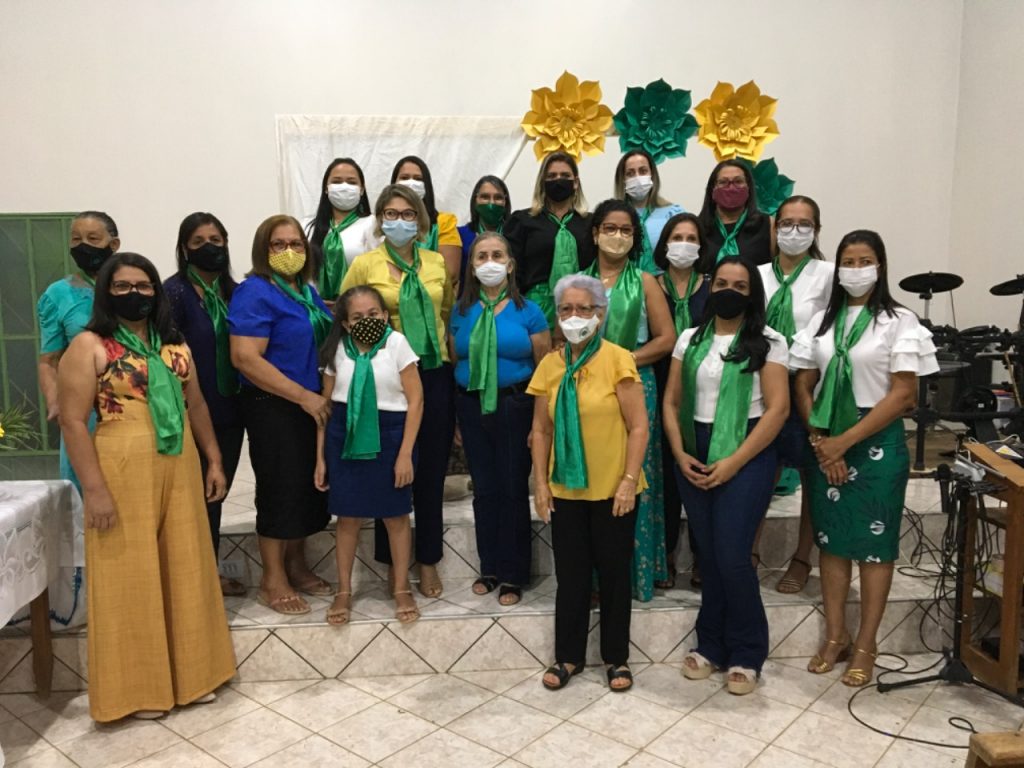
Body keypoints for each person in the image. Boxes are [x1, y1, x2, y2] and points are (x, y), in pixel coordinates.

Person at [58, 252, 235, 721]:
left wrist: (215, 460)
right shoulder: (89, 345)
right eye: (122, 286)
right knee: (129, 574)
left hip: (179, 464)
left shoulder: (174, 346)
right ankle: (138, 691)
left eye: (143, 285)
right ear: (106, 293)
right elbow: (72, 422)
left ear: (156, 292)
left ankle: (193, 677)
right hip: (120, 467)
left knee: (186, 564)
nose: (133, 294)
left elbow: (197, 405)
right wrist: (94, 490)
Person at [791, 230, 937, 687]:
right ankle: (836, 635)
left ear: (880, 266)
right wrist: (822, 440)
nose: (856, 270)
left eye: (865, 261)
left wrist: (844, 441)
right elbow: (803, 383)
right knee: (832, 543)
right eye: (849, 262)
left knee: (875, 548)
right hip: (826, 436)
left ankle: (866, 644)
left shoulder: (899, 321)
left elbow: (904, 394)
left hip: (876, 442)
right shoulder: (821, 321)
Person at [663, 257, 789, 695]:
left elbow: (778, 409)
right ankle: (711, 645)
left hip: (747, 450)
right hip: (694, 449)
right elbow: (671, 401)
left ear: (752, 294)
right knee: (711, 554)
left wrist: (735, 461)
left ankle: (747, 650)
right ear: (709, 288)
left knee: (733, 555)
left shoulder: (769, 341)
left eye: (739, 285)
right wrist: (679, 452)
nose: (728, 291)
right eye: (721, 283)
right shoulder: (689, 339)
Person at [528, 274, 649, 693]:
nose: (574, 316)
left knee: (614, 576)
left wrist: (629, 480)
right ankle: (568, 656)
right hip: (566, 490)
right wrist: (540, 483)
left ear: (600, 313)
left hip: (615, 489)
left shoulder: (618, 359)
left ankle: (616, 658)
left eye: (583, 308)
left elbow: (638, 427)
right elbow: (540, 430)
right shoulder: (550, 365)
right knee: (572, 576)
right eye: (566, 309)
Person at [342, 184, 455, 599]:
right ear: (380, 219)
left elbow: (445, 312)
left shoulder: (435, 262)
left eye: (408, 214)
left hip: (433, 372)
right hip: (385, 376)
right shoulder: (365, 264)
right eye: (391, 214)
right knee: (388, 470)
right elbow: (346, 316)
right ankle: (393, 565)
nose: (400, 221)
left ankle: (427, 561)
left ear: (420, 220)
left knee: (430, 472)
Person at [229, 215, 333, 615]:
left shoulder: (304, 291)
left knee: (305, 489)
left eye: (296, 244)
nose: (289, 251)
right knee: (279, 490)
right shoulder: (255, 292)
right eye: (279, 244)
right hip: (275, 405)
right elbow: (245, 357)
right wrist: (302, 396)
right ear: (263, 249)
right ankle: (272, 579)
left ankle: (297, 565)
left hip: (310, 404)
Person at [449, 233, 550, 605]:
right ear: (472, 266)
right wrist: (455, 418)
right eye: (481, 256)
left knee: (511, 488)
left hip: (515, 406)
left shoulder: (530, 311)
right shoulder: (460, 312)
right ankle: (488, 566)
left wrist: (540, 423)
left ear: (510, 264)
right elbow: (455, 362)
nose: (489, 262)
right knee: (484, 489)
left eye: (497, 255)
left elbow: (544, 370)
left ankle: (513, 573)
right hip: (471, 405)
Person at [315, 285, 424, 624]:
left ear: (385, 315)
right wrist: (320, 457)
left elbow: (416, 401)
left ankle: (401, 587)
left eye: (374, 314)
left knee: (395, 516)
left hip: (390, 435)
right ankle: (344, 590)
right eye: (358, 317)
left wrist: (405, 454)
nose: (367, 320)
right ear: (345, 324)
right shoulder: (337, 350)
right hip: (344, 436)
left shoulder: (397, 344)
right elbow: (326, 407)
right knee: (347, 517)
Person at [583, 200, 675, 601]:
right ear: (595, 233)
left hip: (636, 383)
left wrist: (622, 361)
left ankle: (637, 572)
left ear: (635, 238)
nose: (617, 236)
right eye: (609, 228)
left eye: (625, 230)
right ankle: (593, 576)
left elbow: (667, 339)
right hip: (587, 387)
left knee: (634, 474)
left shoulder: (646, 281)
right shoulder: (578, 282)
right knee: (593, 471)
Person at [35, 210, 119, 626]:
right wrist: (56, 401)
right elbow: (48, 360)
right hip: (82, 419)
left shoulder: (129, 284)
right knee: (88, 504)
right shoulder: (58, 295)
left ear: (114, 244)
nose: (83, 246)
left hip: (131, 416)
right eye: (76, 238)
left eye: (93, 238)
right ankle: (89, 600)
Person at [755, 195, 835, 594]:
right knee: (759, 472)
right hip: (761, 386)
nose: (795, 231)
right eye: (787, 223)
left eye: (804, 224)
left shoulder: (829, 274)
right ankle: (751, 550)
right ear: (775, 227)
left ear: (816, 230)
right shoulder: (757, 275)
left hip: (808, 385)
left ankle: (802, 557)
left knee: (811, 473)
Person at [165, 212, 247, 597]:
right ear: (184, 249)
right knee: (192, 498)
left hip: (232, 410)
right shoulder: (172, 294)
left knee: (216, 494)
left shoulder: (237, 293)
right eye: (198, 242)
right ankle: (192, 580)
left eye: (215, 240)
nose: (208, 247)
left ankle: (208, 575)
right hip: (190, 411)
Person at [652, 212, 712, 589]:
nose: (684, 245)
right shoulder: (649, 285)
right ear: (665, 244)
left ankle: (704, 556)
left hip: (703, 391)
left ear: (701, 246)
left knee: (702, 470)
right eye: (677, 237)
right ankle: (667, 555)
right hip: (658, 385)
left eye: (691, 238)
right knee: (666, 479)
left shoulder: (713, 287)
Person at [505, 151, 596, 327]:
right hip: (534, 307)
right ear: (543, 182)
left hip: (581, 307)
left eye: (565, 176)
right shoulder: (522, 221)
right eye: (552, 176)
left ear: (576, 182)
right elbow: (513, 271)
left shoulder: (590, 223)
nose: (558, 180)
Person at [305, 157, 379, 305]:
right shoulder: (307, 226)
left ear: (362, 189)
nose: (344, 187)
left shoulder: (373, 224)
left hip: (357, 308)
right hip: (315, 308)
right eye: (337, 181)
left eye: (352, 182)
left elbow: (378, 270)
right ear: (326, 188)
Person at [391, 155, 462, 286]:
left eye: (418, 179)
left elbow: (450, 274)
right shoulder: (381, 222)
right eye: (405, 178)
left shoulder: (443, 222)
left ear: (427, 186)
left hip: (430, 293)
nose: (411, 183)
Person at [613, 149, 684, 274]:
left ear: (652, 175)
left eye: (643, 171)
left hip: (664, 282)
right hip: (623, 282)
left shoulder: (673, 214)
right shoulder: (613, 216)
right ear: (622, 180)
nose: (637, 177)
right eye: (630, 173)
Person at [698, 160, 773, 266]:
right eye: (723, 182)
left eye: (738, 181)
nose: (731, 188)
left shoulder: (768, 224)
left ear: (748, 187)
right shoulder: (697, 227)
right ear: (712, 189)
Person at [456, 175, 512, 293]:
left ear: (505, 202)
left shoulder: (515, 234)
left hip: (509, 300)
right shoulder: (460, 235)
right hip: (469, 300)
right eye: (485, 197)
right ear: (475, 201)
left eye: (498, 198)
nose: (491, 203)